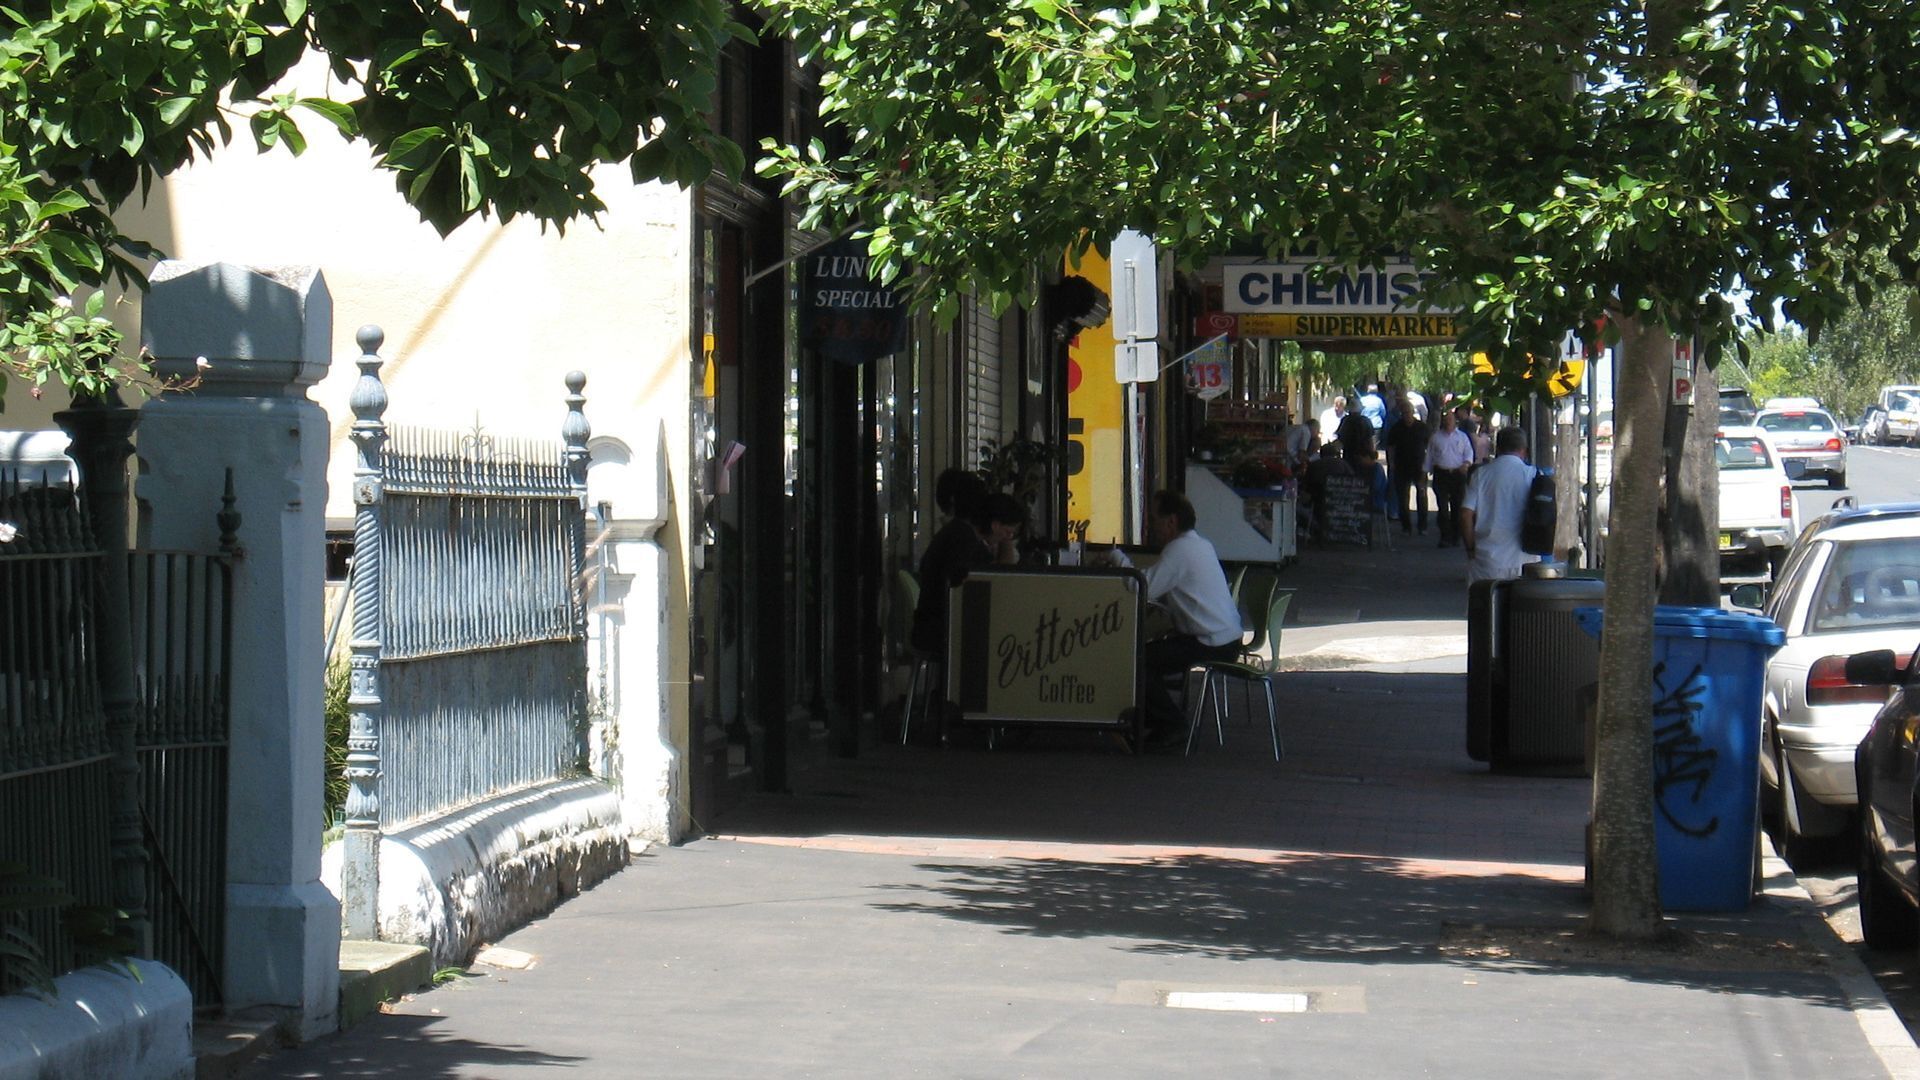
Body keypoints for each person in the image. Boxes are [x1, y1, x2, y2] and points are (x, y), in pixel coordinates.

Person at [1101, 490, 1242, 747]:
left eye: (1154, 519)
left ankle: (1170, 723)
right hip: (1225, 638)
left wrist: (1116, 556)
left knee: (1138, 661)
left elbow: (1140, 586)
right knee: (1147, 657)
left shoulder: (1179, 550)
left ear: (1171, 521)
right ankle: (1150, 720)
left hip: (1209, 642)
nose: (1151, 527)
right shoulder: (1200, 544)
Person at [909, 482, 1020, 654]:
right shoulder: (965, 541)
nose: (1008, 537)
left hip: (930, 627)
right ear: (995, 525)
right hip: (944, 632)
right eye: (1008, 532)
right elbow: (1001, 578)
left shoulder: (957, 532)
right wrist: (1007, 544)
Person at [1460, 427, 1540, 584]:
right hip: (1525, 560)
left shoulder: (1481, 475)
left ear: (1498, 448)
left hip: (1487, 560)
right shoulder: (1534, 475)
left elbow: (1465, 514)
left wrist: (1470, 548)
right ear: (1524, 450)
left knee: (1485, 599)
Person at [1425, 409, 1474, 547]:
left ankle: (1456, 535)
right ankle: (1445, 536)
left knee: (1457, 505)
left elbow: (1469, 453)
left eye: (1450, 420)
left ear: (1455, 422)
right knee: (1442, 506)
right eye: (1446, 420)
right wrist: (1425, 473)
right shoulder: (1435, 437)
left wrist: (1466, 464)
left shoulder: (1462, 437)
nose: (1448, 423)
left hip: (1457, 474)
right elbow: (1429, 456)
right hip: (1441, 473)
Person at [1383, 397, 1431, 536]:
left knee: (1422, 495)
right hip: (1401, 466)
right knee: (1403, 498)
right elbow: (1390, 447)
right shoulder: (1396, 428)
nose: (1406, 415)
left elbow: (1430, 447)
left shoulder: (1422, 427)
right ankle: (1406, 527)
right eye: (1404, 413)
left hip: (1419, 466)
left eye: (1408, 412)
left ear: (1412, 412)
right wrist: (1391, 463)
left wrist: (1428, 464)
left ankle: (1422, 526)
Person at [1356, 446, 1393, 551]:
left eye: (1361, 459)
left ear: (1368, 457)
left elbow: (1375, 487)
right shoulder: (1367, 468)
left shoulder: (1377, 469)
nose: (1360, 462)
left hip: (1376, 501)